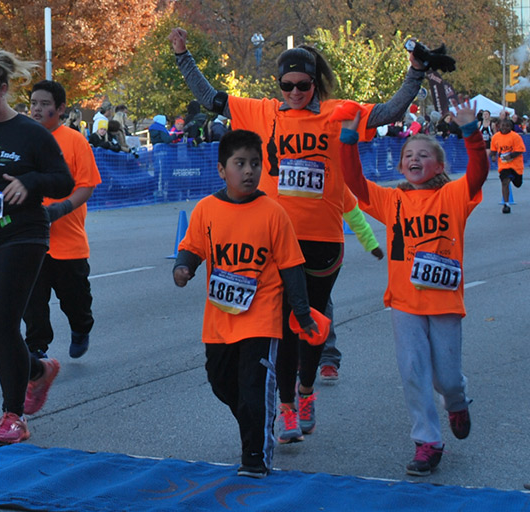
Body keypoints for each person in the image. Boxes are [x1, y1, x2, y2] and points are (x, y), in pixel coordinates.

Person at [169, 26, 431, 444]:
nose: (294, 92)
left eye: (303, 85)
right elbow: (211, 98)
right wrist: (183, 55)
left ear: (314, 83)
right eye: (287, 85)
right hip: (275, 239)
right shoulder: (264, 113)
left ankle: (306, 391)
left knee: (311, 322)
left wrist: (414, 72)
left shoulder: (338, 113)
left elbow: (388, 113)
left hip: (324, 240)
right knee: (286, 325)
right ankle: (288, 405)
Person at [337, 97, 488, 476]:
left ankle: (456, 402)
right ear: (400, 163)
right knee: (413, 371)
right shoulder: (392, 200)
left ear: (439, 165)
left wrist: (470, 131)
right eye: (409, 155)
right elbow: (354, 183)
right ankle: (427, 442)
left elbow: (479, 174)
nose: (415, 160)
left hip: (444, 303)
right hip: (404, 301)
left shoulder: (452, 196)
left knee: (446, 377)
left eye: (424, 155)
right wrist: (348, 142)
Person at [172, 129, 317, 478]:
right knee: (221, 382)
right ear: (222, 170)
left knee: (253, 389)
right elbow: (193, 247)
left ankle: (255, 457)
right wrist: (183, 267)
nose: (249, 171)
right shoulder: (207, 208)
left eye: (255, 163)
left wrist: (302, 312)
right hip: (219, 319)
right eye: (240, 164)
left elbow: (292, 267)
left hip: (261, 318)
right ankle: (258, 419)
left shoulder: (273, 212)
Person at [0, 48, 74, 443]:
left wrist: (30, 183)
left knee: (2, 320)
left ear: (2, 89)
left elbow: (62, 180)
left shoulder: (30, 133)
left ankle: (13, 417)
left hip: (21, 233)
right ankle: (37, 370)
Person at [23, 80, 102, 360]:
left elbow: (87, 185)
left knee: (75, 300)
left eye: (44, 104)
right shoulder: (24, 140)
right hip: (31, 239)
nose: (36, 109)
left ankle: (81, 328)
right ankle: (37, 348)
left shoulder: (74, 140)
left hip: (67, 240)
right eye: (33, 103)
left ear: (60, 108)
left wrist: (61, 208)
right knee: (33, 302)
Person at [318, 188, 384, 382]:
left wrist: (370, 243)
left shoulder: (332, 177)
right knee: (291, 303)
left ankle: (328, 358)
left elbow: (352, 211)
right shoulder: (282, 176)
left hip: (324, 251)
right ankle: (296, 357)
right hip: (289, 250)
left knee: (322, 303)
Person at [490, 117, 525, 214]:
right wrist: (492, 156)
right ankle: (506, 204)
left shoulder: (515, 137)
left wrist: (510, 156)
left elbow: (520, 150)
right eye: (502, 126)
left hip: (516, 166)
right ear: (499, 126)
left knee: (518, 184)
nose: (504, 128)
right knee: (505, 182)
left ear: (510, 127)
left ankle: (513, 177)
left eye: (507, 126)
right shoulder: (495, 137)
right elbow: (493, 149)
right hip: (504, 166)